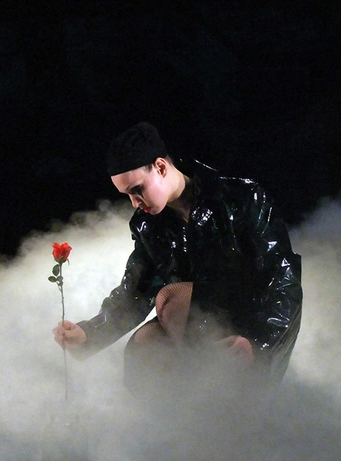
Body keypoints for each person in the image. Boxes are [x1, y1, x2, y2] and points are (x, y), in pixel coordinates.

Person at [53, 122, 302, 401]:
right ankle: (179, 416)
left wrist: (259, 342)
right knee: (144, 347)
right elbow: (137, 291)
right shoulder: (149, 225)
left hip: (254, 327)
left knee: (171, 298)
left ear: (161, 167)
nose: (135, 202)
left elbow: (282, 279)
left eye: (138, 190)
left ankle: (220, 402)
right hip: (199, 329)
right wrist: (89, 334)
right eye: (128, 196)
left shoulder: (240, 198)